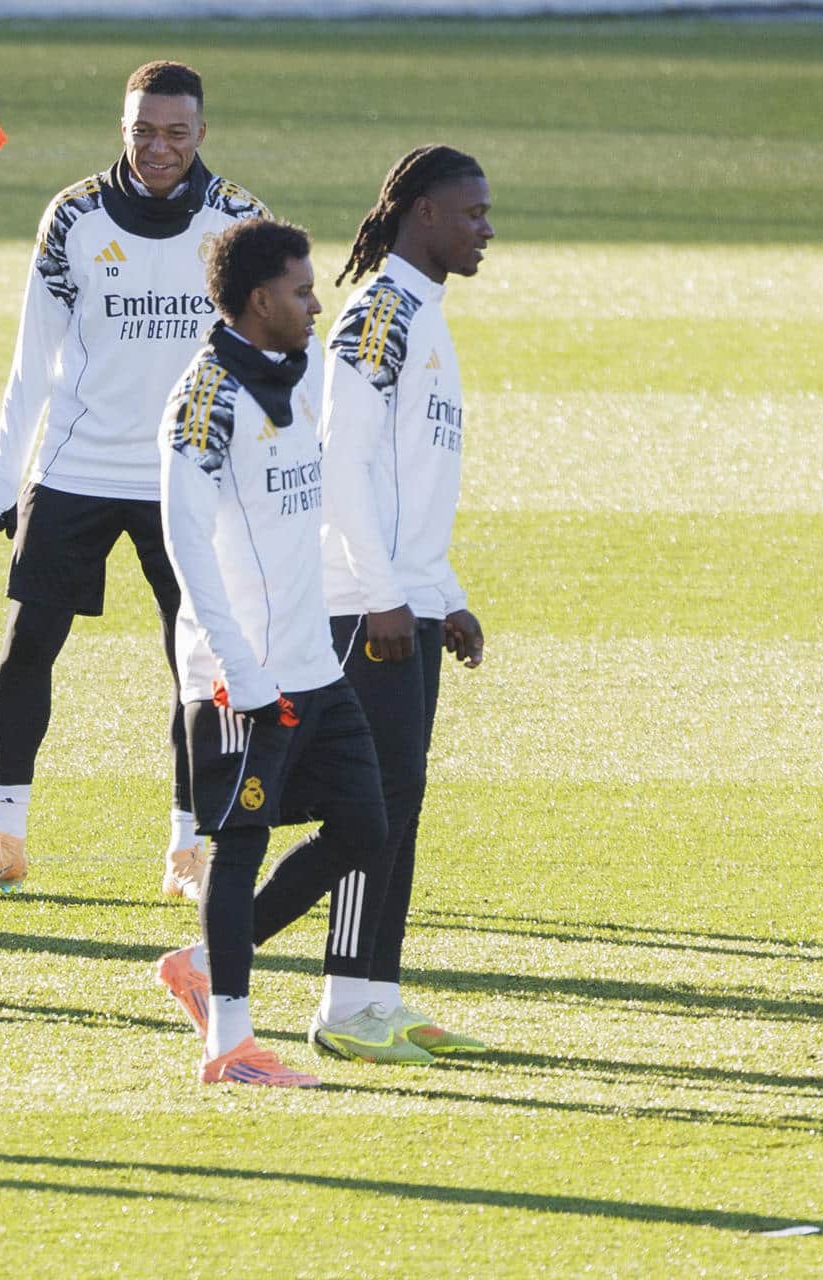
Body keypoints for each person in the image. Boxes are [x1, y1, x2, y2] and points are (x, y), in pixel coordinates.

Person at [0, 60, 268, 902]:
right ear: (123, 128)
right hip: (76, 464)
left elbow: (270, 356)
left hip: (187, 473)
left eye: (176, 132)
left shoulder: (241, 222)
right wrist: (0, 478)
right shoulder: (74, 217)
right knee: (26, 650)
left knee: (196, 663)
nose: (158, 148)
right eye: (142, 131)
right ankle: (5, 839)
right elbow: (32, 356)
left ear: (202, 133)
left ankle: (188, 850)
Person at [149, 218, 427, 1087]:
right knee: (239, 845)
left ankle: (201, 966)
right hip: (244, 678)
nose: (316, 304)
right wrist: (239, 670)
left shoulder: (293, 378)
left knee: (365, 824)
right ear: (260, 299)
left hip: (314, 666)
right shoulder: (204, 400)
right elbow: (186, 545)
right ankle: (229, 1045)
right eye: (303, 292)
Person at [312, 145, 495, 1056]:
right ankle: (343, 1007)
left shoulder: (422, 313)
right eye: (472, 214)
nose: (487, 230)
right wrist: (386, 595)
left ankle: (378, 994)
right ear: (423, 213)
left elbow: (408, 482)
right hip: (364, 602)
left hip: (405, 598)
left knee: (402, 800)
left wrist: (441, 593)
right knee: (371, 804)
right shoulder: (380, 313)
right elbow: (341, 461)